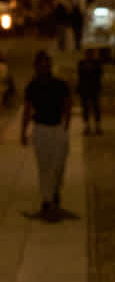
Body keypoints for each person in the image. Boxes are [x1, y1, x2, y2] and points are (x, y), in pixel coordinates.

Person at [20, 50, 71, 221]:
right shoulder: (32, 86)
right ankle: (47, 200)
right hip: (41, 129)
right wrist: (23, 132)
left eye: (46, 64)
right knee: (44, 166)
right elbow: (27, 110)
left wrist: (66, 125)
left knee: (58, 166)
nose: (44, 67)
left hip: (57, 128)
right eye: (41, 64)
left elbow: (67, 103)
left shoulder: (59, 84)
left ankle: (54, 193)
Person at [78, 48, 103, 135]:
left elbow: (99, 74)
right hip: (85, 89)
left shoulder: (97, 63)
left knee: (96, 107)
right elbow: (80, 76)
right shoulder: (81, 63)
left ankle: (97, 126)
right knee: (85, 108)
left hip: (94, 88)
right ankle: (87, 126)